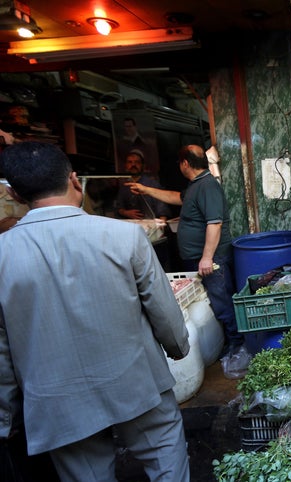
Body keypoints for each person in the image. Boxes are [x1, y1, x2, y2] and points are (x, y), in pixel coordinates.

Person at [0, 141, 191, 481]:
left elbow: (2, 353)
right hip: (137, 382)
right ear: (75, 181)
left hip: (57, 400)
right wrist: (178, 348)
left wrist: (7, 417)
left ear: (14, 194)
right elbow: (163, 310)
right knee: (166, 457)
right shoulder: (125, 237)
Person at [126, 144, 244, 352]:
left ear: (185, 163)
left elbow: (214, 223)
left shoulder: (207, 186)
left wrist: (207, 257)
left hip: (211, 260)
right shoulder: (195, 186)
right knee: (214, 303)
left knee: (222, 303)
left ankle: (237, 346)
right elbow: (176, 198)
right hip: (198, 259)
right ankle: (227, 344)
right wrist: (146, 190)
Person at [116, 149, 171, 220]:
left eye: (137, 162)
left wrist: (160, 227)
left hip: (150, 224)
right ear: (126, 165)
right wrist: (125, 212)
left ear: (142, 165)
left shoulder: (152, 184)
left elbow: (162, 210)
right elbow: (119, 207)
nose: (133, 165)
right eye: (130, 162)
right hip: (130, 225)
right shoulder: (124, 186)